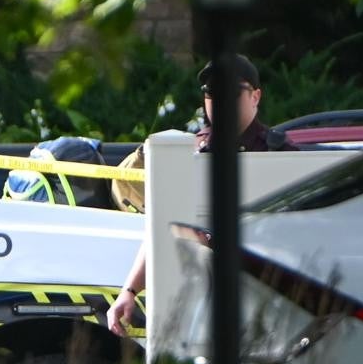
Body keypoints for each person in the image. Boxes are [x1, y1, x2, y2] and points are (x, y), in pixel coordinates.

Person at [105, 54, 278, 337]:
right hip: (199, 304)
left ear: (256, 97)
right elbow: (161, 226)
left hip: (266, 303)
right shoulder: (187, 153)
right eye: (211, 92)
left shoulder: (281, 155)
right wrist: (130, 290)